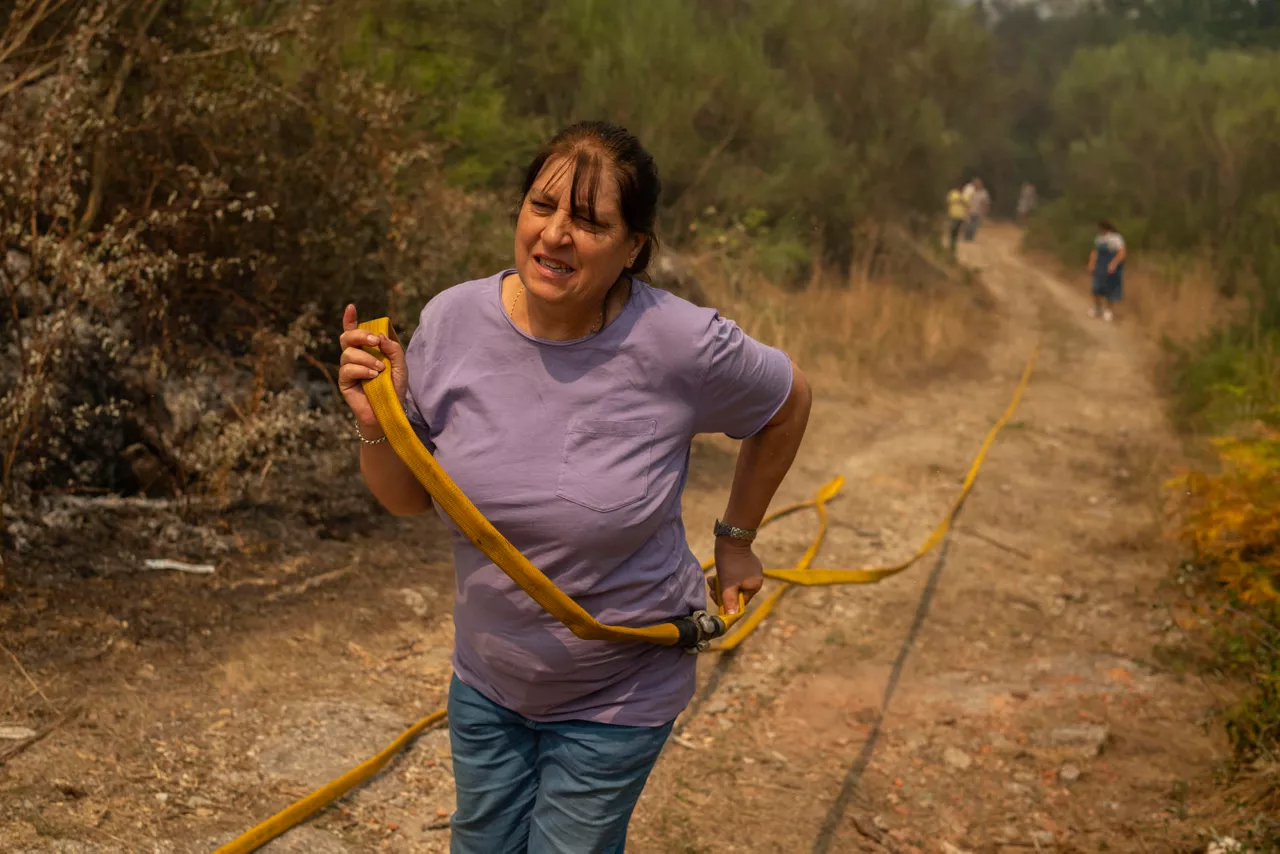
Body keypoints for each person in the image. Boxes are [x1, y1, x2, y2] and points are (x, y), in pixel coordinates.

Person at [337, 120, 812, 853]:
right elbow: (408, 499)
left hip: (618, 693)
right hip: (487, 686)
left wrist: (738, 539)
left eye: (589, 222)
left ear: (634, 248)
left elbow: (788, 401)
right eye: (541, 207)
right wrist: (379, 422)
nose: (555, 235)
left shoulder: (679, 343)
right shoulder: (452, 321)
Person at [1087, 220, 1126, 322]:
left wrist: (1114, 263)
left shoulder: (1116, 238)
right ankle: (1097, 308)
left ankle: (1108, 311)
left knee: (1111, 288)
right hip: (1100, 265)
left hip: (1111, 266)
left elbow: (1122, 252)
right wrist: (1091, 263)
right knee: (1096, 287)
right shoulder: (1099, 238)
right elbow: (1095, 252)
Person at [946, 185, 968, 255]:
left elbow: (967, 204)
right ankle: (950, 245)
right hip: (953, 215)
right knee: (952, 230)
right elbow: (949, 201)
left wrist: (961, 201)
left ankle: (953, 246)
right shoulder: (953, 193)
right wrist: (957, 200)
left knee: (957, 231)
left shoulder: (965, 195)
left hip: (961, 216)